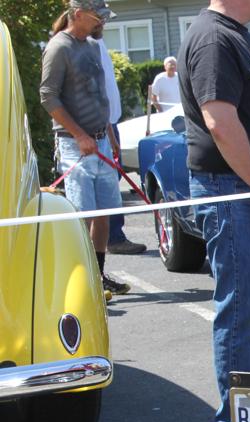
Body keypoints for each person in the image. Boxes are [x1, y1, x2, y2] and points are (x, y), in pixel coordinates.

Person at [178, 0, 250, 422]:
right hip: (233, 189)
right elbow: (219, 122)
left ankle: (249, 413)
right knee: (240, 311)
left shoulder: (230, 34)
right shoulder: (214, 38)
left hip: (243, 186)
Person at [40, 0, 131, 295]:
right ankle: (78, 283)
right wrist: (79, 135)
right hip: (75, 146)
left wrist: (109, 134)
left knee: (103, 213)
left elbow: (97, 95)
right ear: (78, 15)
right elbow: (48, 97)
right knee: (82, 216)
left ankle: (98, 277)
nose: (101, 23)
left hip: (100, 141)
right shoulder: (59, 47)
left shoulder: (92, 45)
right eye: (97, 17)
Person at [97, 30, 147, 254]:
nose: (103, 22)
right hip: (101, 125)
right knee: (105, 186)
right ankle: (112, 238)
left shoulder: (95, 42)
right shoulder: (83, 44)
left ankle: (113, 236)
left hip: (109, 122)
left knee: (111, 181)